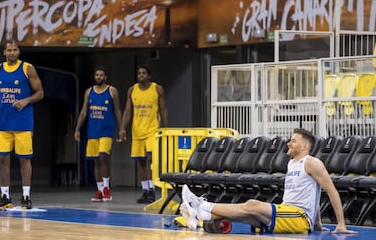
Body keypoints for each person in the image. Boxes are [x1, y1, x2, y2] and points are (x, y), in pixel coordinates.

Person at [180, 128, 358, 234]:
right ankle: (200, 217)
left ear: (304, 146)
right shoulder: (292, 163)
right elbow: (313, 192)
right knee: (247, 214)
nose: (289, 143)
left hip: (299, 216)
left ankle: (200, 205)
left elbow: (330, 190)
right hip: (287, 211)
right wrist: (318, 222)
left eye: (293, 141)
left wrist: (340, 224)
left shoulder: (312, 163)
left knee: (252, 205)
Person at [0, 39, 44, 210]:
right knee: (2, 159)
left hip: (23, 123)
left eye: (15, 50)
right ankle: (5, 196)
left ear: (19, 52)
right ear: (4, 52)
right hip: (4, 123)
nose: (12, 53)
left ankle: (26, 195)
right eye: (9, 50)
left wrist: (26, 100)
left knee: (24, 159)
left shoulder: (27, 68)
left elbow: (40, 93)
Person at [120, 66, 168, 204]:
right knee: (140, 162)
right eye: (139, 73)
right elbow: (128, 110)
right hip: (137, 131)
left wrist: (165, 127)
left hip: (152, 130)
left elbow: (163, 108)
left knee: (151, 159)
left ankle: (152, 189)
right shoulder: (132, 90)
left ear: (149, 76)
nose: (141, 75)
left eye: (144, 73)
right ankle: (145, 190)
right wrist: (123, 128)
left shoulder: (157, 89)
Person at [74, 66, 123, 202]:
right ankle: (100, 190)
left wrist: (121, 128)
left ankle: (107, 188)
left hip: (106, 130)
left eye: (101, 75)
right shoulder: (89, 92)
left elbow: (117, 110)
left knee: (103, 156)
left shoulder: (112, 91)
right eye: (97, 75)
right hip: (92, 131)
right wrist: (77, 128)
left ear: (105, 77)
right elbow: (84, 111)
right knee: (95, 160)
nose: (99, 77)